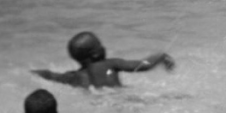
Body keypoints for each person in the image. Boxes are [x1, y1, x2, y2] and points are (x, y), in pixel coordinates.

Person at [32, 32, 175, 89]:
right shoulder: (110, 63)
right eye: (100, 46)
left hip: (100, 104)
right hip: (120, 99)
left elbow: (52, 76)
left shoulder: (74, 77)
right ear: (95, 54)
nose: (103, 47)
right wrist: (162, 56)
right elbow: (144, 65)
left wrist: (38, 72)